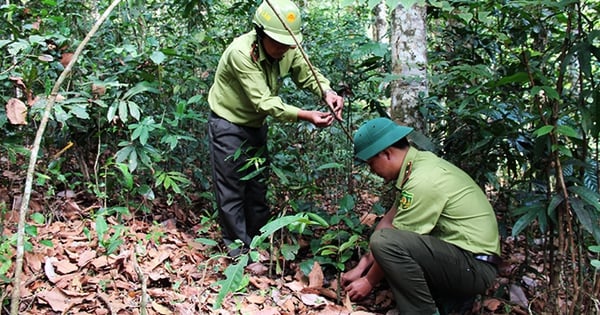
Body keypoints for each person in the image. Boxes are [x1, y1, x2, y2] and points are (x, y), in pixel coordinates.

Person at [207, 0, 344, 256]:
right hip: (228, 123)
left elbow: (305, 72)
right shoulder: (241, 53)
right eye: (277, 42)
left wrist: (327, 91)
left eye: (287, 43)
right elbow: (264, 102)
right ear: (260, 33)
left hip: (255, 126)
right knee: (232, 189)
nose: (283, 48)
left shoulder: (288, 47)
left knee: (257, 188)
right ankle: (239, 253)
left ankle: (259, 245)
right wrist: (306, 115)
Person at [342, 117, 501, 315]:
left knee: (386, 243)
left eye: (371, 163)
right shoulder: (416, 167)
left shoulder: (423, 180)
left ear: (386, 154)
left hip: (475, 267)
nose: (372, 170)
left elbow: (391, 241)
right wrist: (361, 267)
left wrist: (368, 281)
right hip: (463, 259)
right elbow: (389, 221)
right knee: (384, 240)